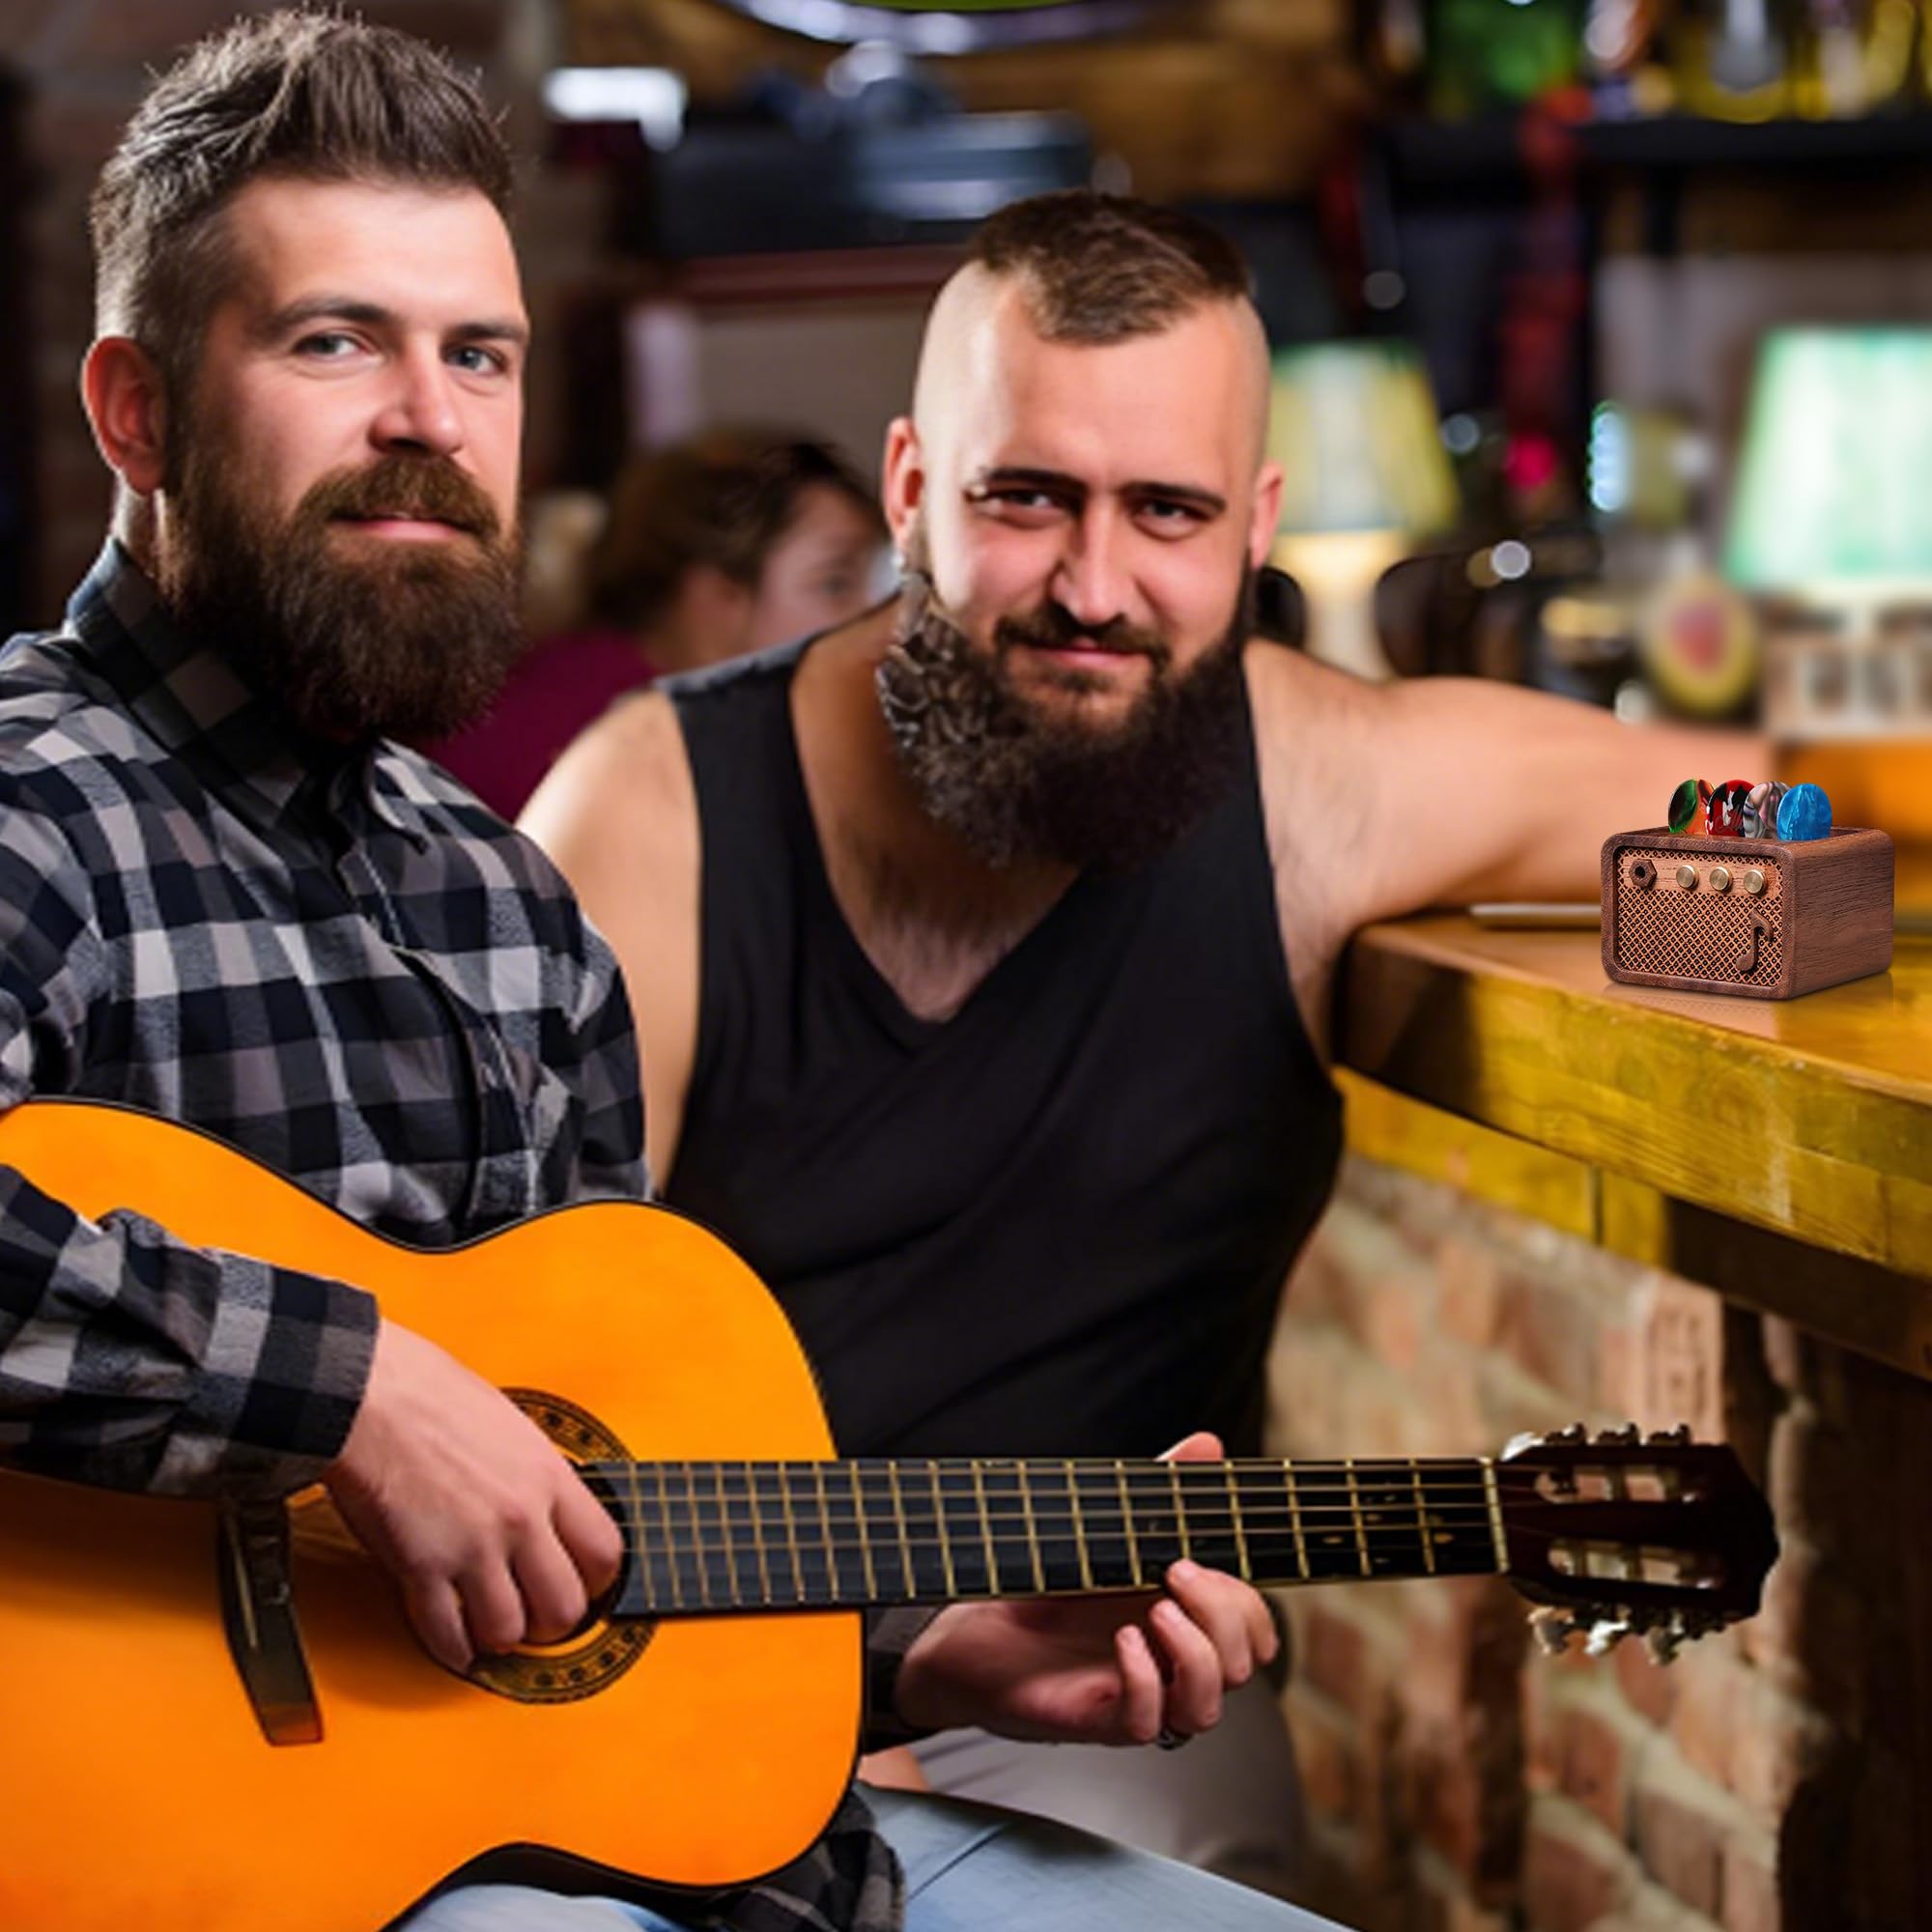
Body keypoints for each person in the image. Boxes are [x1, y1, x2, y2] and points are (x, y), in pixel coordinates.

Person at [0, 17, 1346, 1932]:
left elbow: (580, 1558)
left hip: (639, 1859)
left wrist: (919, 1653)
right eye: (335, 343)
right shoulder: (32, 809)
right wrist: (354, 1393)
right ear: (134, 412)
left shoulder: (506, 912)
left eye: (478, 355)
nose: (428, 418)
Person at [520, 190, 1764, 1890]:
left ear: (1256, 529)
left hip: (1088, 1700)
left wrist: (1727, 925)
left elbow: (1763, 808)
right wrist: (848, 1678)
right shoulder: (646, 815)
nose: (1092, 589)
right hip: (648, 1657)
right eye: (1026, 497)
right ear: (910, 488)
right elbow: (518, 1391)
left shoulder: (1329, 790)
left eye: (1166, 511)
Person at [424, 429, 884, 818]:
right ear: (717, 594)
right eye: (835, 583)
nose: (869, 614)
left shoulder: (583, 693)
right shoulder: (628, 749)